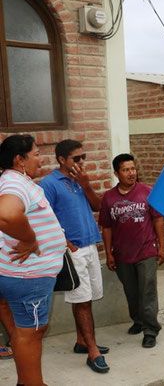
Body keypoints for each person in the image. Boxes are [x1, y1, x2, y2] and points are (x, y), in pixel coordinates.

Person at [0, 134, 67, 386]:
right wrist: (29, 239)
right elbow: (6, 214)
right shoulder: (14, 183)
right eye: (37, 154)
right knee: (31, 334)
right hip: (30, 278)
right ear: (20, 159)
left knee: (21, 333)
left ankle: (26, 381)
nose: (41, 159)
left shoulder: (14, 181)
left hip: (20, 274)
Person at [39, 139, 109, 373]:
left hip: (90, 245)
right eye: (76, 159)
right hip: (73, 250)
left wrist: (87, 184)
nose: (81, 162)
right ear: (61, 160)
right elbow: (44, 220)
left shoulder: (80, 180)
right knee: (82, 301)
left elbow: (98, 207)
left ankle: (81, 341)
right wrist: (68, 245)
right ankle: (92, 351)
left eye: (83, 157)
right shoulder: (49, 184)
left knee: (86, 298)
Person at [99, 153, 164, 349]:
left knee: (147, 292)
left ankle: (151, 330)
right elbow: (107, 227)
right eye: (126, 170)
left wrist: (162, 248)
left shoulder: (147, 192)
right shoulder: (109, 198)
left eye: (133, 169)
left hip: (146, 251)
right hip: (122, 254)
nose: (131, 173)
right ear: (116, 173)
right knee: (131, 292)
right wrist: (109, 253)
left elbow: (158, 220)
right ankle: (138, 320)